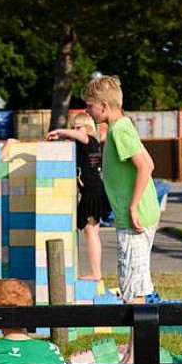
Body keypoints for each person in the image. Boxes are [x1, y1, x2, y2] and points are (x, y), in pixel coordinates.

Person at [81, 75, 160, 363]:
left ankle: (136, 356)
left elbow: (146, 165)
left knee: (134, 287)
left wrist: (134, 206)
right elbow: (132, 161)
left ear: (104, 106)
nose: (87, 111)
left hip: (135, 217)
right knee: (132, 283)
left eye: (90, 106)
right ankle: (133, 352)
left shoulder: (118, 131)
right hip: (133, 215)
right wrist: (105, 162)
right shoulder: (118, 129)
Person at [46, 113, 112, 281]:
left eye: (78, 127)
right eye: (73, 127)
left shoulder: (89, 140)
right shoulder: (87, 146)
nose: (75, 131)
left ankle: (95, 272)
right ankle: (95, 271)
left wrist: (60, 131)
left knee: (90, 231)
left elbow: (80, 137)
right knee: (91, 230)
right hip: (92, 190)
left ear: (88, 128)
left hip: (93, 191)